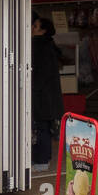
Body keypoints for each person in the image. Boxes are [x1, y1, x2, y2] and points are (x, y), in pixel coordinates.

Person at [31, 17, 63, 171]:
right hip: (48, 96)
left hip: (42, 96)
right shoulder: (48, 45)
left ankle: (41, 160)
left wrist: (30, 87)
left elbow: (41, 74)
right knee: (44, 127)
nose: (32, 27)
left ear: (42, 31)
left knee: (40, 127)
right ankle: (44, 159)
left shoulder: (39, 47)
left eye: (35, 26)